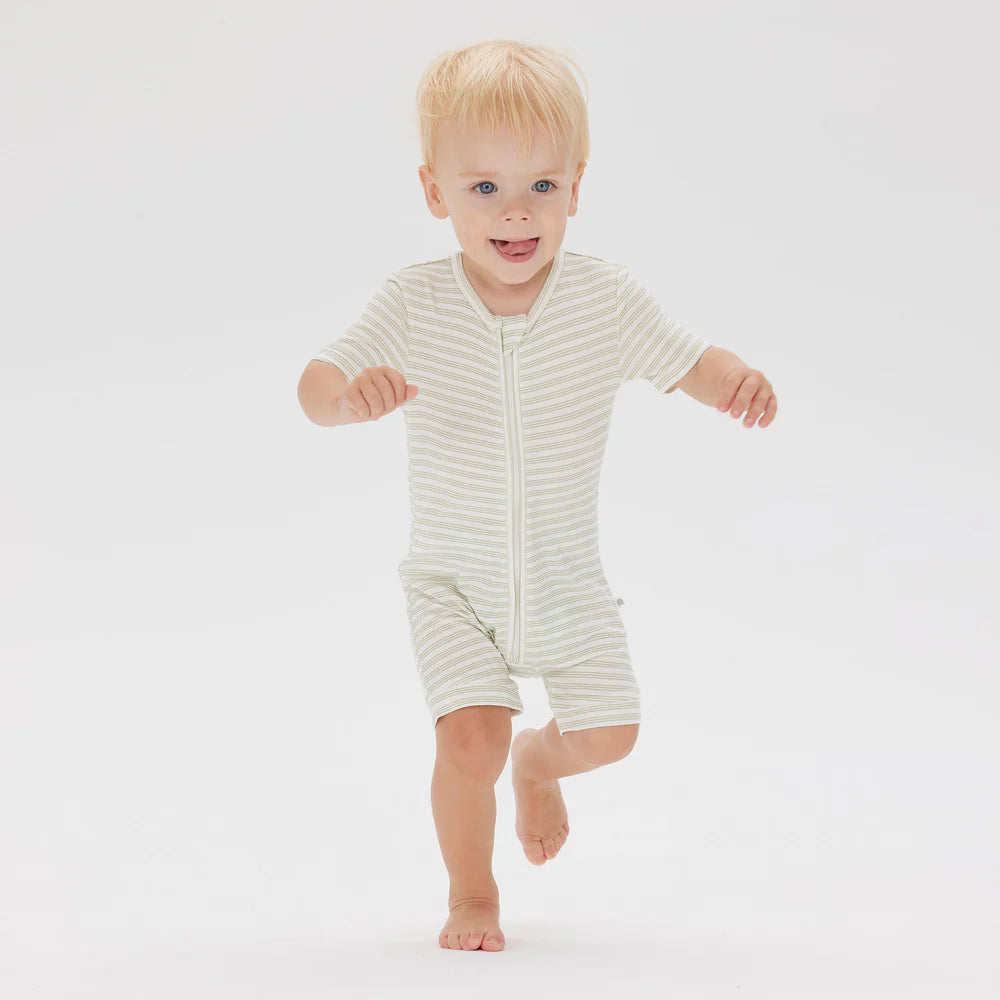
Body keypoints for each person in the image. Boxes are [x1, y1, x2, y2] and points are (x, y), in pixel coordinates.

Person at [296, 39, 777, 953]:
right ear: (435, 193)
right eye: (484, 188)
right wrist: (346, 401)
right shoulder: (414, 303)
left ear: (576, 188)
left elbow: (689, 360)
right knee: (465, 743)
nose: (516, 211)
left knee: (613, 734)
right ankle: (472, 895)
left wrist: (736, 382)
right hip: (452, 583)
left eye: (542, 186)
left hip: (565, 579)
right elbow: (315, 384)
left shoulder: (604, 300)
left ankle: (537, 763)